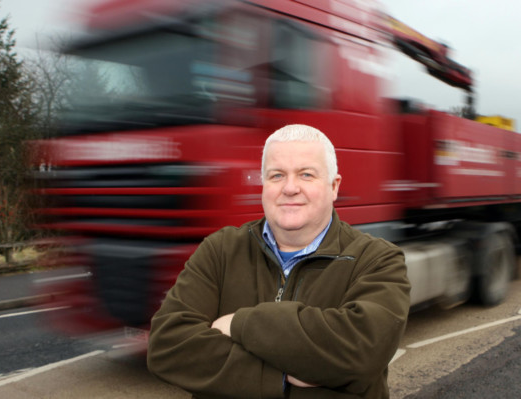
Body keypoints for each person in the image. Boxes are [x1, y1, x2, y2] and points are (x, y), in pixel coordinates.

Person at [147, 124, 410, 398]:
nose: (290, 188)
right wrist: (282, 376)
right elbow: (168, 346)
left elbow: (361, 353)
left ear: (334, 187)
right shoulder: (220, 250)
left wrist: (240, 323)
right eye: (277, 175)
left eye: (306, 174)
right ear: (264, 184)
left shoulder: (377, 259)